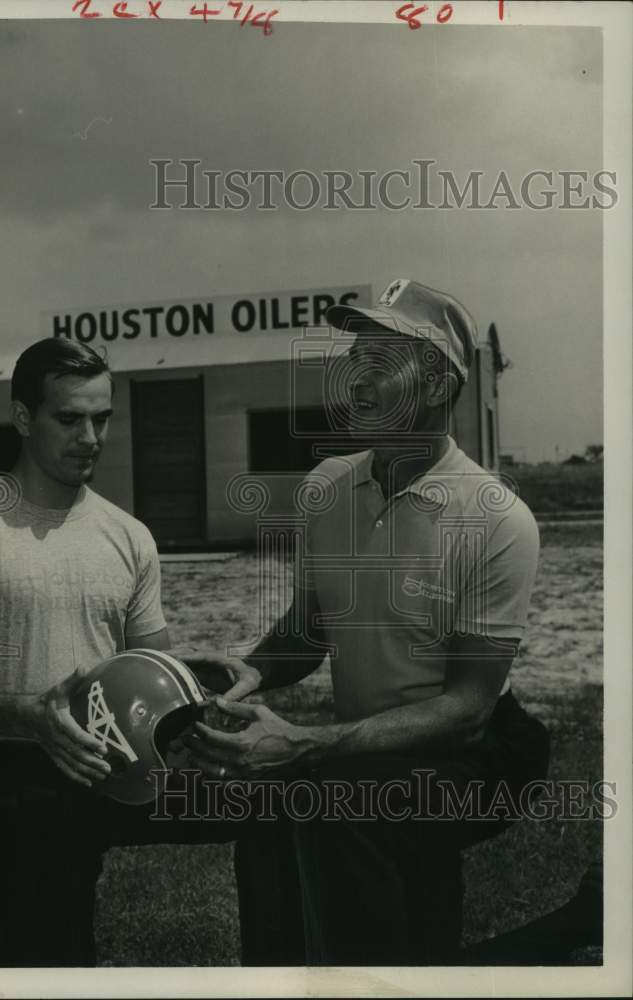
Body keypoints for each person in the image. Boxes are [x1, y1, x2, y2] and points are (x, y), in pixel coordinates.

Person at [185, 279, 551, 965]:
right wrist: (250, 672)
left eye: (381, 363)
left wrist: (312, 744)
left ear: (440, 385)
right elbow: (310, 628)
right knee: (273, 813)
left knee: (343, 806)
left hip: (476, 750)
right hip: (373, 744)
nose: (355, 382)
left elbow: (467, 709)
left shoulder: (495, 517)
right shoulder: (327, 487)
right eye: (353, 361)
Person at [0, 337, 303, 967]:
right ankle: (2, 950)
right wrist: (28, 717)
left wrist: (197, 680)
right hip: (20, 770)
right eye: (69, 418)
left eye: (102, 418)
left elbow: (152, 672)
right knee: (45, 965)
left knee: (284, 803)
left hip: (128, 759)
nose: (91, 436)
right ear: (22, 418)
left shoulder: (128, 535)